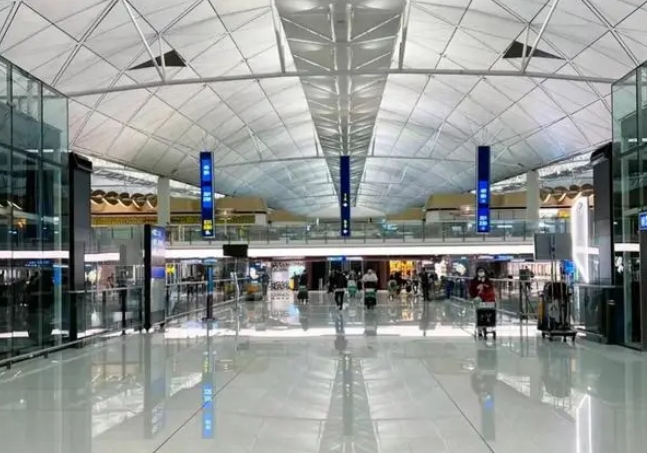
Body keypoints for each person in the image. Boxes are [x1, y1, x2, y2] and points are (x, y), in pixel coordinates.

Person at [469, 267, 496, 337]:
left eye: (482, 271)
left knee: (487, 314)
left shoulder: (487, 280)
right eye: (480, 271)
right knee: (479, 315)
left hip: (487, 301)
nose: (481, 273)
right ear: (477, 273)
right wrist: (474, 297)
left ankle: (487, 328)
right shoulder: (474, 281)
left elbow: (490, 290)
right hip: (478, 301)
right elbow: (471, 290)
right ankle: (480, 330)